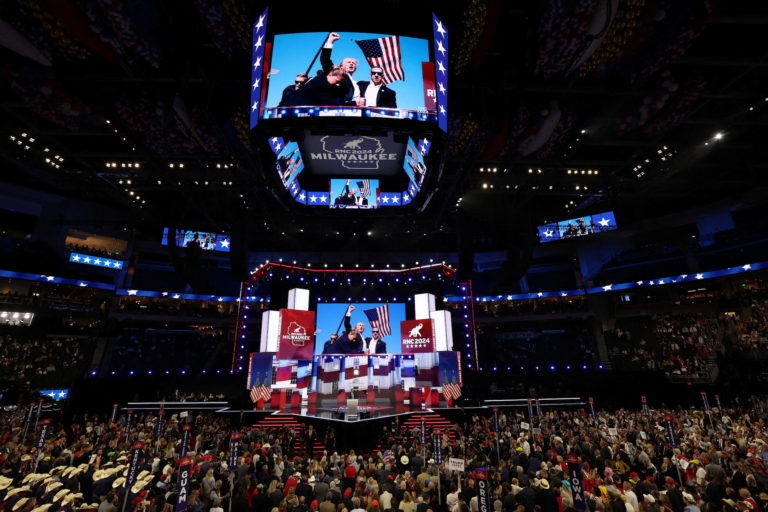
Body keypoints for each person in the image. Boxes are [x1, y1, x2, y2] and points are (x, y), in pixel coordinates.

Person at [320, 32, 359, 105]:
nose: (351, 64)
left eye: (353, 63)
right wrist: (330, 41)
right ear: (341, 66)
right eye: (348, 62)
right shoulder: (337, 74)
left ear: (355, 69)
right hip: (339, 109)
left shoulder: (356, 83)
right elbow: (325, 60)